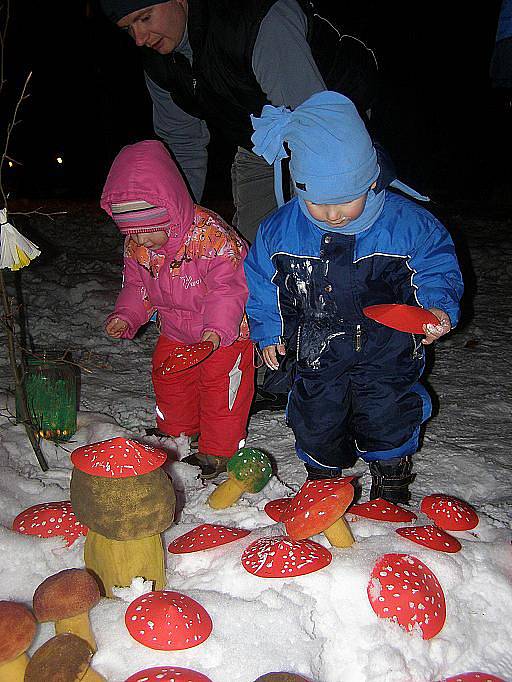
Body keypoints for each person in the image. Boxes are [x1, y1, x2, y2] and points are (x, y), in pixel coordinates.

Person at [99, 0, 384, 411]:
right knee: (249, 252)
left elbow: (311, 117)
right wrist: (182, 233)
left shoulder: (255, 22)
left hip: (328, 131)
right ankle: (275, 360)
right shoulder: (160, 65)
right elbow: (181, 149)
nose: (140, 38)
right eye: (129, 29)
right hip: (257, 138)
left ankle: (342, 362)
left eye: (144, 18)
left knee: (318, 243)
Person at [244, 91, 464, 504]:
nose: (332, 214)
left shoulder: (406, 224)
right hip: (316, 347)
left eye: (345, 200)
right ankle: (322, 477)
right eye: (316, 201)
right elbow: (261, 281)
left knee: (387, 410)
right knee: (315, 413)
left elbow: (436, 264)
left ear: (370, 179)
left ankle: (391, 474)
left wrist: (437, 306)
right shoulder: (281, 230)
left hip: (387, 346)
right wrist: (269, 328)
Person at [101, 139, 254, 479]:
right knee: (169, 378)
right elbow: (137, 286)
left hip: (224, 334)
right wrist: (126, 315)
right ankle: (178, 433)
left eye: (145, 232)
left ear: (168, 210)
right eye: (131, 233)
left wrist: (217, 329)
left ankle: (219, 449)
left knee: (220, 389)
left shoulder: (211, 236)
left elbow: (229, 286)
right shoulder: (138, 246)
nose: (140, 242)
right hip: (175, 330)